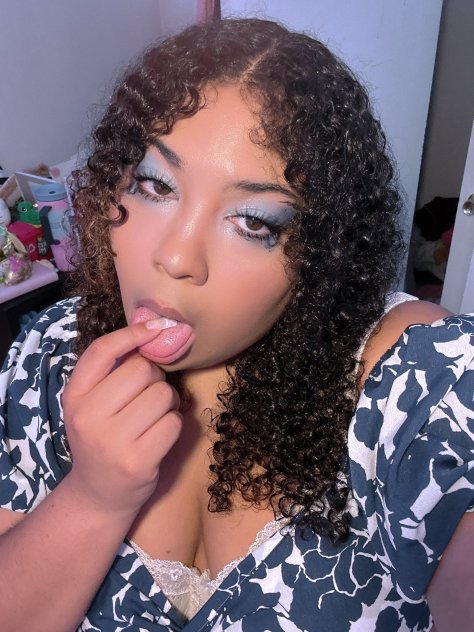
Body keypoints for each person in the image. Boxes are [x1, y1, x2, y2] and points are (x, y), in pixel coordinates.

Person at [0, 17, 472, 632]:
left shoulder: (425, 390)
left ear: (322, 253)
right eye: (154, 185)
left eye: (253, 222)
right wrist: (93, 497)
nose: (176, 257)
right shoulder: (49, 354)